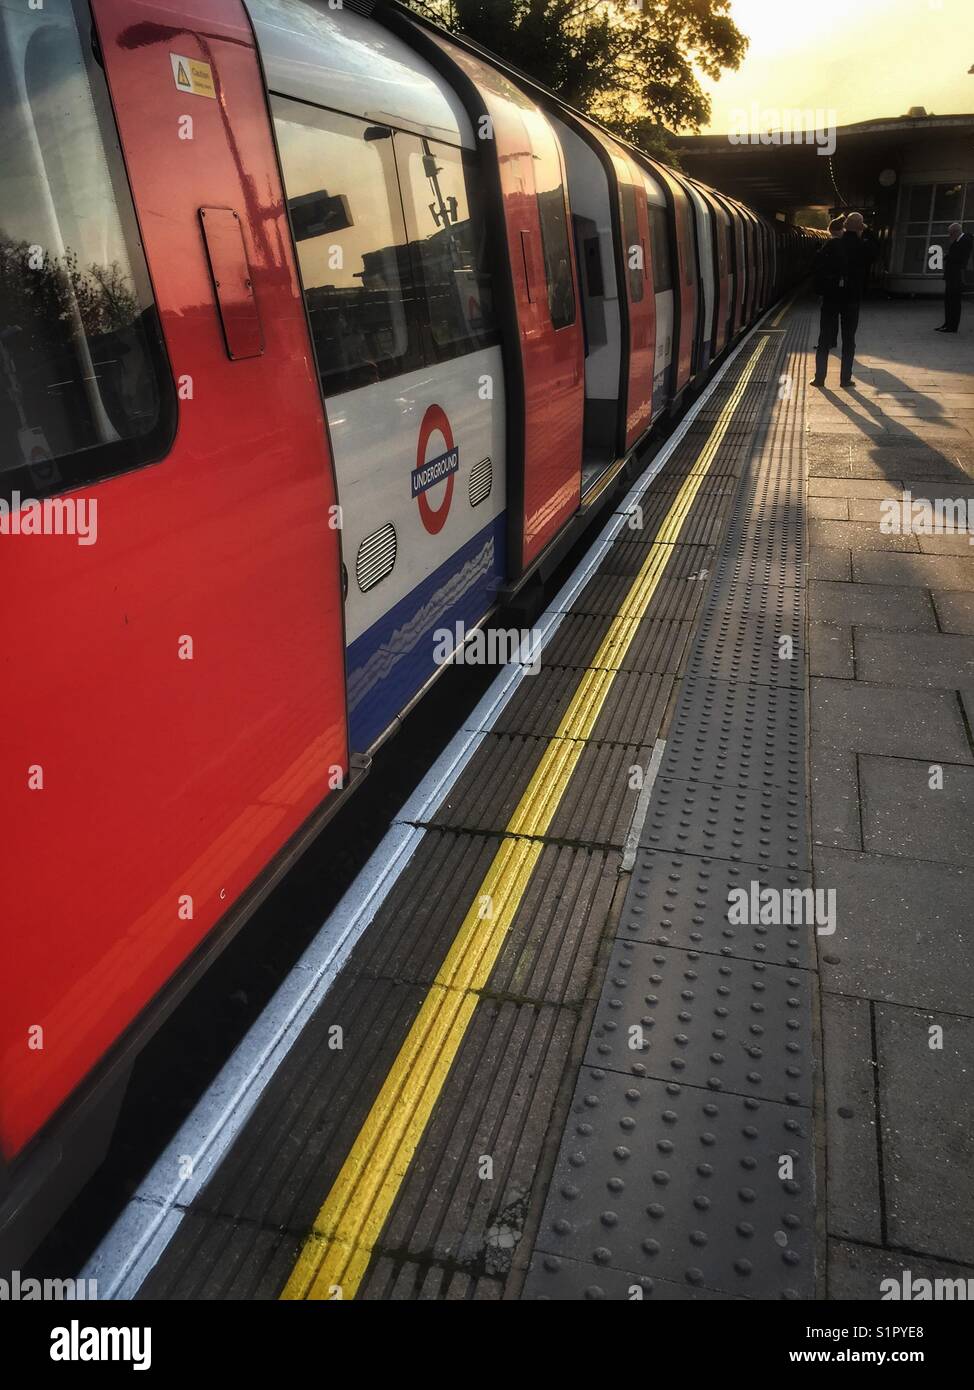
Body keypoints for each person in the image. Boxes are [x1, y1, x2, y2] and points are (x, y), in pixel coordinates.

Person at [811, 211, 871, 389]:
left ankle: (819, 379)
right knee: (849, 340)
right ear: (860, 229)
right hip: (852, 300)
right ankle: (845, 379)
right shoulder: (863, 247)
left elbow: (817, 266)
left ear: (845, 227)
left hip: (831, 298)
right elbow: (875, 252)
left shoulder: (832, 244)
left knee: (824, 339)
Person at [936, 222, 973, 332]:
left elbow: (961, 258)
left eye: (950, 233)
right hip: (952, 275)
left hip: (957, 276)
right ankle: (947, 323)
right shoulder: (958, 240)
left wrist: (948, 258)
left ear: (956, 232)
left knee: (954, 302)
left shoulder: (965, 240)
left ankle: (952, 326)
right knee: (949, 300)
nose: (949, 236)